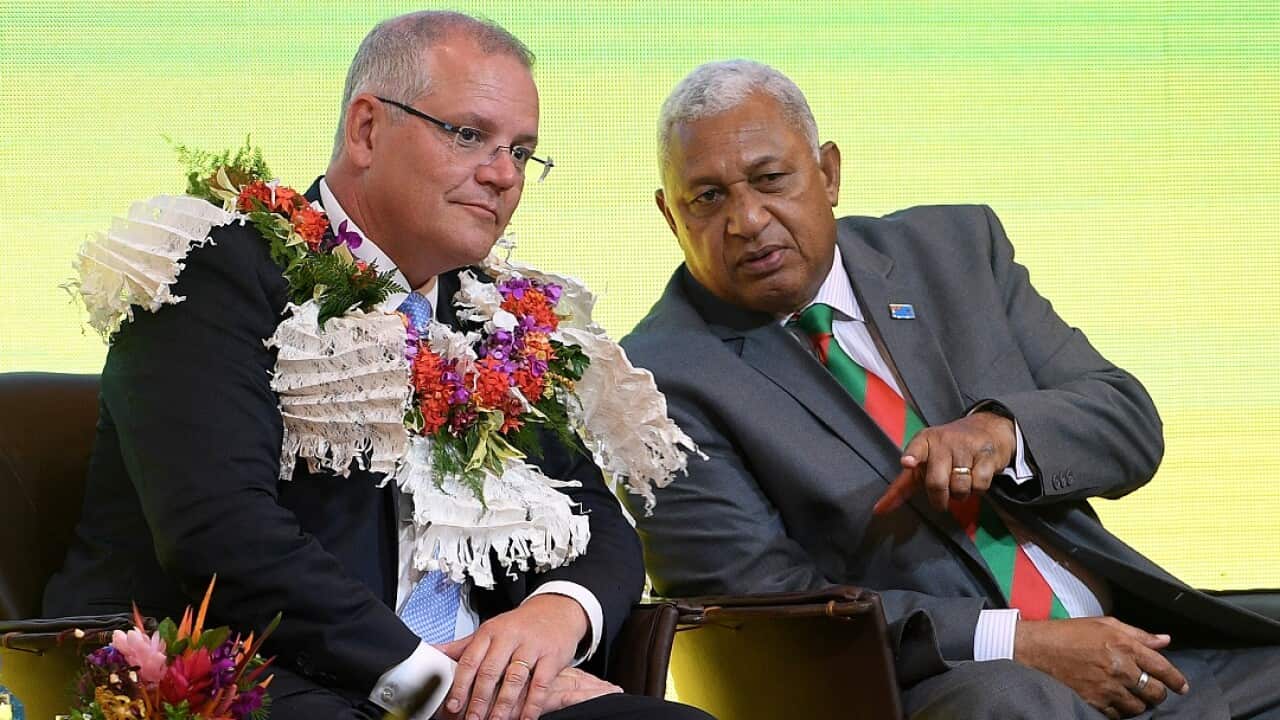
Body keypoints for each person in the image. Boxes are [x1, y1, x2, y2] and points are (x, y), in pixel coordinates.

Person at [45, 12, 710, 720]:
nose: (502, 175)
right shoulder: (213, 270)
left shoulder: (497, 319)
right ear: (366, 129)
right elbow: (221, 533)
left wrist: (550, 620)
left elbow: (596, 520)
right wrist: (430, 682)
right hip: (267, 682)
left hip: (487, 696)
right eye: (469, 135)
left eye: (521, 152)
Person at [621, 58, 1280, 720]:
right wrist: (1017, 643)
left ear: (828, 172)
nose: (747, 220)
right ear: (668, 215)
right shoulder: (656, 381)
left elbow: (1128, 423)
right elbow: (762, 609)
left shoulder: (953, 250)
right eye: (706, 197)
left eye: (770, 180)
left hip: (1138, 650)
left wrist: (1004, 433)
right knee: (1010, 699)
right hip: (937, 689)